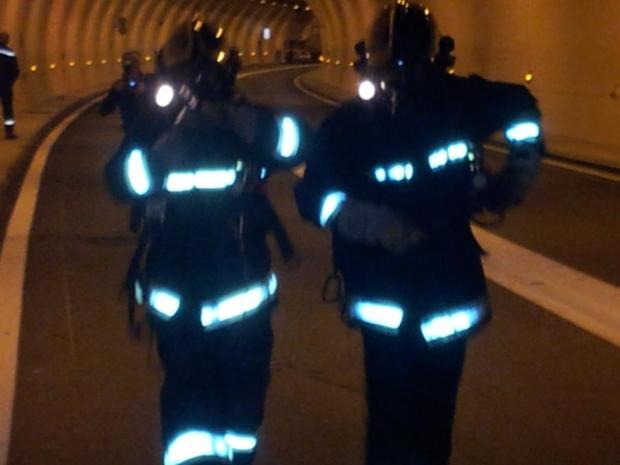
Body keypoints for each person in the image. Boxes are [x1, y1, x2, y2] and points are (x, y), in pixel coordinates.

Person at [295, 3, 543, 465]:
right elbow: (313, 196)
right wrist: (515, 176)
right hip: (436, 295)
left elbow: (313, 197)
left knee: (394, 424)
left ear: (369, 54)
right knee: (430, 425)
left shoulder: (353, 123)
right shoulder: (456, 102)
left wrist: (363, 221)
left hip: (393, 299)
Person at [113, 20, 307, 465]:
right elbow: (121, 180)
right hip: (199, 295)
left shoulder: (245, 120)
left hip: (223, 295)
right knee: (198, 410)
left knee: (231, 411)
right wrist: (161, 150)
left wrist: (245, 123)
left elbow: (298, 146)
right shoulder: (154, 127)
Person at [0, 31, 20, 140]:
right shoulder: (9, 53)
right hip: (5, 85)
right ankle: (9, 132)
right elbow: (15, 70)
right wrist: (10, 82)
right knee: (7, 109)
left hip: (5, 84)